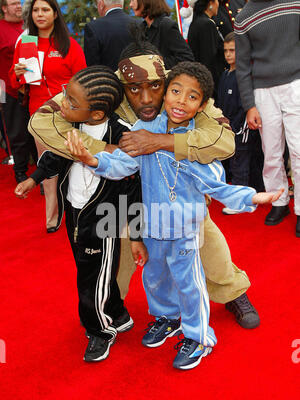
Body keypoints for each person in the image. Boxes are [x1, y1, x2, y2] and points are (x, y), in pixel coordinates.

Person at [28, 36, 261, 330]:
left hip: (176, 194)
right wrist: (108, 150)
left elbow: (225, 142)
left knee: (206, 239)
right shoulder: (102, 86)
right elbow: (40, 120)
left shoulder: (182, 88)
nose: (147, 98)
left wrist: (160, 142)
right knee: (114, 259)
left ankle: (232, 291)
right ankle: (109, 309)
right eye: (134, 89)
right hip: (121, 195)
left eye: (155, 86)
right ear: (120, 82)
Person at [66, 62, 283, 370]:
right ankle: (168, 318)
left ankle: (199, 337)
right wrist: (91, 160)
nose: (181, 101)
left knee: (189, 283)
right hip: (153, 225)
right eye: (176, 91)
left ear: (202, 105)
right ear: (165, 93)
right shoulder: (145, 133)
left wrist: (251, 196)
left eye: (192, 97)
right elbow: (121, 164)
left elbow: (216, 184)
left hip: (184, 229)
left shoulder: (197, 145)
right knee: (154, 278)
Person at [15, 65, 143, 363]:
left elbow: (132, 184)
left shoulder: (121, 136)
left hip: (105, 217)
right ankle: (117, 312)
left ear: (97, 113)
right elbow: (57, 156)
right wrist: (34, 178)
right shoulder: (74, 126)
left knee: (89, 278)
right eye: (65, 96)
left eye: (72, 102)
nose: (63, 104)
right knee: (95, 271)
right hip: (76, 210)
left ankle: (100, 330)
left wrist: (133, 230)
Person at [9, 0, 86, 232]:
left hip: (67, 115)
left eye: (45, 10)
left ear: (55, 14)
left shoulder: (68, 44)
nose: (39, 14)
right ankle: (52, 218)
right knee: (47, 168)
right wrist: (17, 74)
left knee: (76, 163)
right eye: (35, 10)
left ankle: (78, 212)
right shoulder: (26, 43)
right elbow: (15, 83)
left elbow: (82, 80)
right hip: (39, 116)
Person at [234, 0, 300, 237]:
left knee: (299, 149)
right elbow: (241, 66)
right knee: (270, 151)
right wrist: (249, 105)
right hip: (262, 91)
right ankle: (279, 202)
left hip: (296, 84)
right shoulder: (243, 18)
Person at [216, 31, 264, 214]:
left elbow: (247, 104)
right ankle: (250, 195)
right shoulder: (225, 74)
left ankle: (242, 202)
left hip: (241, 127)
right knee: (238, 162)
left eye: (232, 50)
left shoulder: (245, 75)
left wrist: (236, 126)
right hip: (227, 127)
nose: (228, 54)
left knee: (240, 163)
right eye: (225, 50)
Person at [0, 0, 37, 183]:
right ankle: (20, 171)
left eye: (19, 3)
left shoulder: (30, 29)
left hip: (32, 89)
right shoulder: (1, 29)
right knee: (16, 132)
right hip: (8, 89)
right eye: (13, 3)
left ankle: (39, 170)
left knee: (34, 131)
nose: (18, 6)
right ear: (4, 8)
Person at [130, 0, 194, 69]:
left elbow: (186, 58)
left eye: (133, 0)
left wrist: (156, 64)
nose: (130, 4)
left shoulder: (166, 25)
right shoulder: (142, 28)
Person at [84, 0, 138, 71]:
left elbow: (93, 67)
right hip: (135, 79)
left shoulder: (93, 27)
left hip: (107, 80)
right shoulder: (139, 24)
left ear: (101, 4)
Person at [188, 0, 226, 99]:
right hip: (212, 84)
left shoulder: (197, 22)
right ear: (210, 3)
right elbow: (210, 59)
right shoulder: (206, 24)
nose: (218, 4)